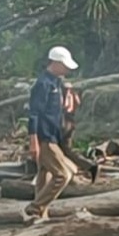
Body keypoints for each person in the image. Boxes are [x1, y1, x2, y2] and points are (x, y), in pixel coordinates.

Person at [24, 46, 80, 222]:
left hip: (54, 135)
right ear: (55, 63)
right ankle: (35, 207)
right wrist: (33, 140)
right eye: (64, 65)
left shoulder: (57, 83)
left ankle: (41, 214)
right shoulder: (43, 84)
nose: (67, 70)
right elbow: (34, 114)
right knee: (63, 175)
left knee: (44, 174)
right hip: (45, 137)